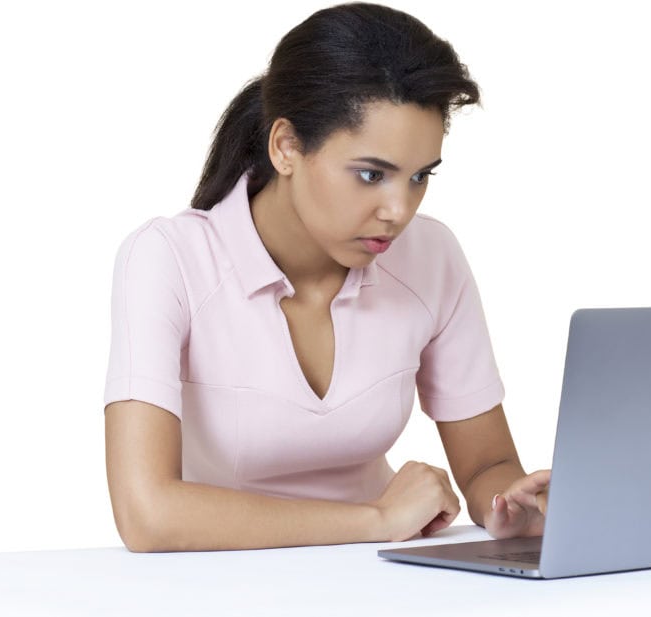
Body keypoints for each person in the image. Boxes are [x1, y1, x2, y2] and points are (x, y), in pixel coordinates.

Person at [103, 2, 549, 553]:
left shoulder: (430, 256)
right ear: (287, 146)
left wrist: (509, 506)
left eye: (419, 177)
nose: (398, 209)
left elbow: (488, 464)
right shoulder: (168, 259)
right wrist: (376, 519)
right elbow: (147, 515)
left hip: (376, 587)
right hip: (213, 589)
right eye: (371, 174)